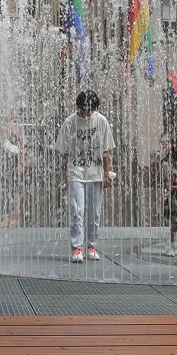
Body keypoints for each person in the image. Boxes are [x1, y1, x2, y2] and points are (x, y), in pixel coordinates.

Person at [53, 89, 113, 263]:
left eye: (89, 110)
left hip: (96, 173)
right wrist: (62, 175)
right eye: (83, 110)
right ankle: (76, 248)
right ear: (79, 107)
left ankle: (91, 246)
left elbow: (106, 151)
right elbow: (63, 153)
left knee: (94, 213)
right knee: (76, 211)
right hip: (76, 172)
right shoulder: (69, 123)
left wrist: (107, 174)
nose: (86, 114)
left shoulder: (101, 121)